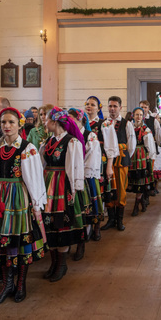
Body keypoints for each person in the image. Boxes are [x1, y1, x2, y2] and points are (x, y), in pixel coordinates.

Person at [0, 107, 47, 305]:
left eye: (11, 122)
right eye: (3, 123)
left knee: (18, 241)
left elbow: (34, 179)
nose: (7, 126)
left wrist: (36, 204)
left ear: (19, 124)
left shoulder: (27, 148)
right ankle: (7, 284)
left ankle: (21, 283)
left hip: (17, 198)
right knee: (2, 241)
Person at [41, 107, 85, 282]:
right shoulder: (48, 141)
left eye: (46, 119)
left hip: (62, 184)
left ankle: (62, 264)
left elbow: (75, 167)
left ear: (54, 122)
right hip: (48, 183)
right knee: (49, 221)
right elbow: (42, 164)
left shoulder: (71, 142)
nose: (44, 122)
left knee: (61, 221)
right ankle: (54, 262)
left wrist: (74, 189)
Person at [68, 107, 102, 258]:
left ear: (80, 119)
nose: (69, 123)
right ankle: (71, 240)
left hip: (85, 176)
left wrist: (80, 173)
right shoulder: (67, 136)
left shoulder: (90, 136)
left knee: (85, 209)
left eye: (72, 119)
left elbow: (91, 159)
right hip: (70, 176)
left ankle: (83, 240)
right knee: (72, 211)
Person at [100, 96, 136, 232]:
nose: (112, 109)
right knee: (109, 188)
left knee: (121, 189)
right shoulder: (104, 123)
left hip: (121, 161)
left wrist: (124, 156)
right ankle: (110, 219)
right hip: (106, 160)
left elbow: (131, 145)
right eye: (110, 106)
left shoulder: (127, 124)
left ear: (120, 107)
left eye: (115, 106)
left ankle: (119, 220)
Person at [84, 95, 116, 240]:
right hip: (86, 163)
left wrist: (109, 166)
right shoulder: (82, 123)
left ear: (98, 108)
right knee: (87, 193)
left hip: (100, 163)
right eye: (87, 104)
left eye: (92, 104)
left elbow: (111, 146)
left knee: (99, 194)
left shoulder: (105, 124)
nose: (89, 106)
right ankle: (87, 225)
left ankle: (97, 225)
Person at [128, 107, 156, 216]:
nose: (138, 117)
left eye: (140, 115)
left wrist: (151, 160)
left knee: (140, 181)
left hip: (142, 157)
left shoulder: (146, 129)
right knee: (134, 182)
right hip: (131, 156)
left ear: (142, 116)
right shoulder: (129, 127)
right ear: (133, 116)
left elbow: (150, 147)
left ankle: (136, 205)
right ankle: (142, 203)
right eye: (136, 115)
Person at [139, 100, 161, 196]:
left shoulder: (153, 120)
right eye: (142, 107)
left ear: (148, 109)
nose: (143, 109)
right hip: (139, 149)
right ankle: (142, 187)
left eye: (145, 107)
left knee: (151, 168)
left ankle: (151, 187)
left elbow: (158, 132)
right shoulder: (135, 119)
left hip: (151, 147)